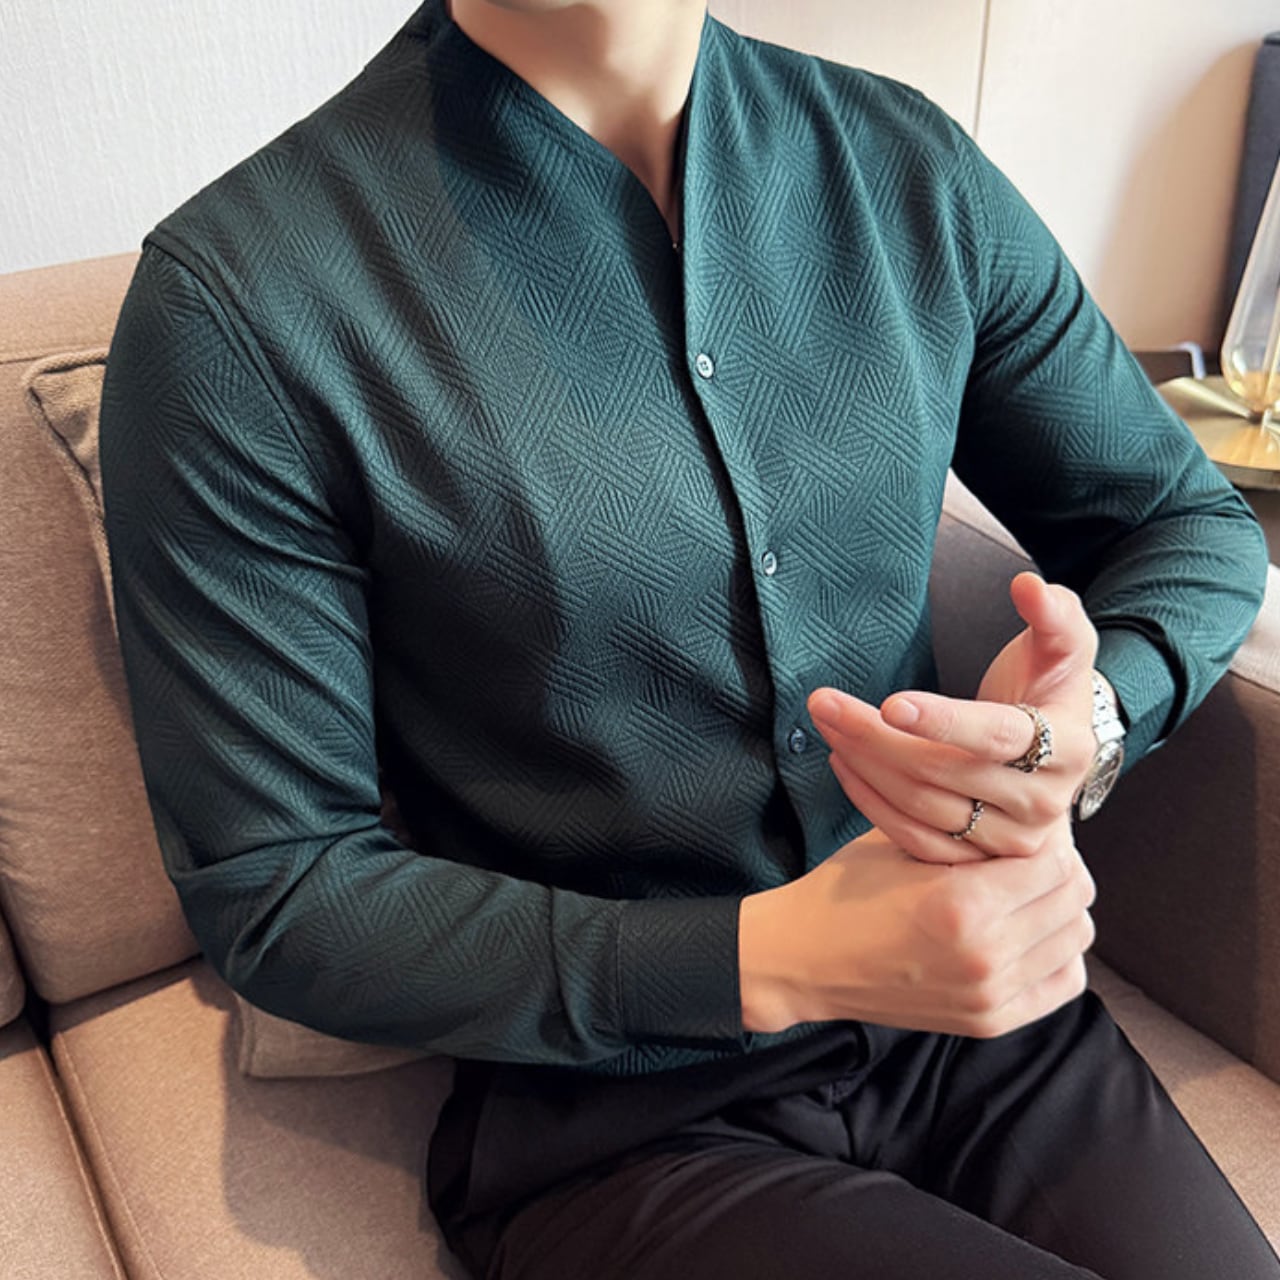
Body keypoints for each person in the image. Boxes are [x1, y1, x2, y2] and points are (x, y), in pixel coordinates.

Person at [99, 1, 1279, 1276]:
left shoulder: (906, 167)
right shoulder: (239, 303)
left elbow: (1182, 523)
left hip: (983, 1019)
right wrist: (778, 955)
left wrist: (1081, 723)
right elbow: (281, 892)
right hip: (619, 1119)